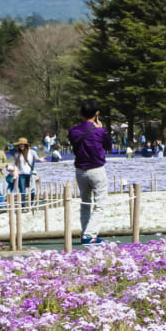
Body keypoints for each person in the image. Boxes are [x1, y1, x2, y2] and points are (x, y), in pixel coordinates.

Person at [69, 101, 109, 245]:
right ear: (96, 113)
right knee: (100, 204)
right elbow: (108, 145)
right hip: (97, 169)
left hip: (80, 170)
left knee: (85, 202)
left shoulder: (73, 131)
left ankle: (86, 233)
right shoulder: (99, 131)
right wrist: (101, 129)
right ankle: (90, 235)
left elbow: (73, 143)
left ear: (80, 114)